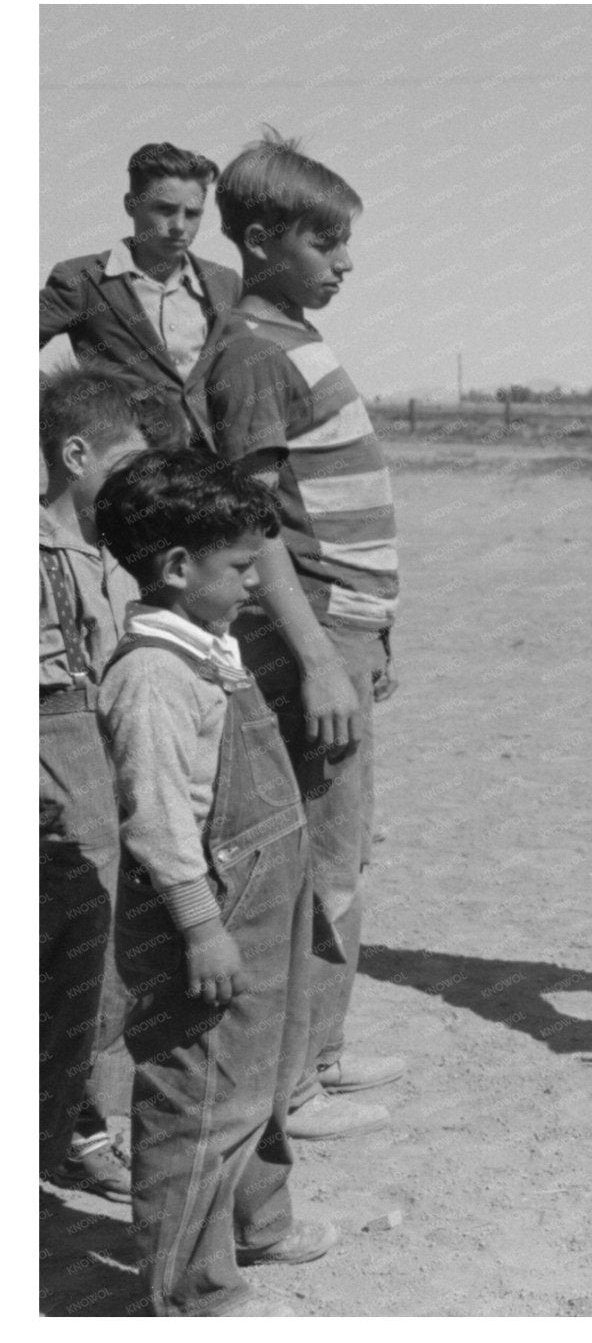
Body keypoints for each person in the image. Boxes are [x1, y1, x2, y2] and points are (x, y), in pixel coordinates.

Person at [97, 449, 339, 1317]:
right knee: (200, 1097)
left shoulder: (210, 644)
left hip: (266, 903)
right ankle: (189, 1288)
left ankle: (257, 1222)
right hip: (208, 919)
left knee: (262, 1077)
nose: (253, 583)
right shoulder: (155, 676)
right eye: (240, 567)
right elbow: (159, 825)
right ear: (175, 567)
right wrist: (202, 927)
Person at [201, 129, 404, 1139]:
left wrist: (372, 636)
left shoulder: (290, 339)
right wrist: (321, 655)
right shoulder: (249, 350)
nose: (344, 262)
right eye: (326, 244)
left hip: (346, 631)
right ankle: (292, 1088)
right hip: (311, 637)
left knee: (345, 850)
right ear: (263, 237)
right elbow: (254, 524)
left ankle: (320, 1047)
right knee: (319, 858)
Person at [39, 366, 153, 1200]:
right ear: (75, 453)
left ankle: (84, 1116)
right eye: (121, 464)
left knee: (115, 940)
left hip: (104, 742)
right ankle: (67, 1123)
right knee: (86, 928)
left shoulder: (110, 547)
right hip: (61, 747)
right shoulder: (34, 551)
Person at [40, 143, 241, 453]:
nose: (178, 226)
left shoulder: (225, 284)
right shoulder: (82, 280)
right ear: (131, 204)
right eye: (164, 209)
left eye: (192, 214)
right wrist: (61, 405)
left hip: (212, 464)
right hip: (125, 463)